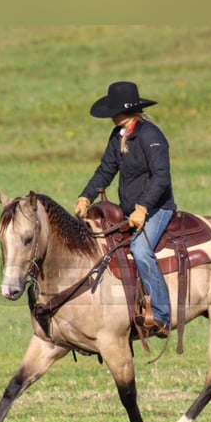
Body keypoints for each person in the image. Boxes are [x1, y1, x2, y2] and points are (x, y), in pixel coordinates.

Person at [75, 81, 176, 338]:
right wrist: (85, 197)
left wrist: (143, 208)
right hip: (128, 210)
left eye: (113, 109)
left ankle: (163, 315)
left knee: (141, 251)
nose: (110, 115)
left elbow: (161, 177)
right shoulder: (118, 135)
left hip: (157, 208)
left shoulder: (151, 136)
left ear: (123, 110)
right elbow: (106, 170)